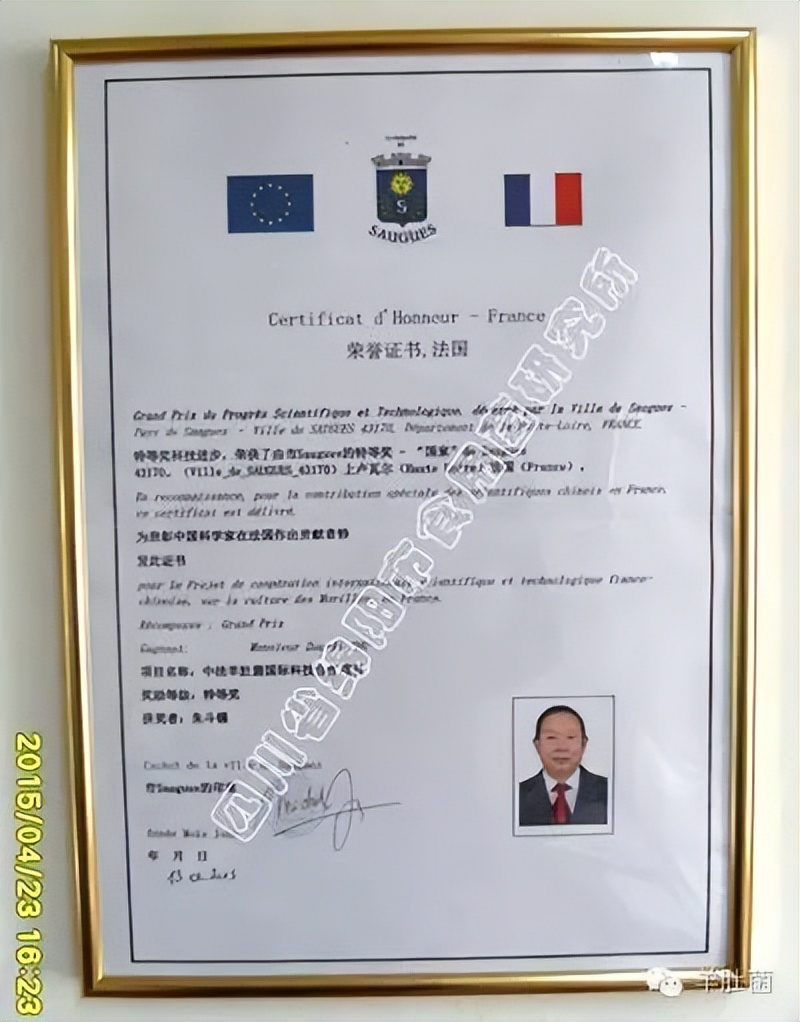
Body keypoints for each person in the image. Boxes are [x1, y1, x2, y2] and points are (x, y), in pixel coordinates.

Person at [518, 705, 607, 826]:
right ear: (537, 745)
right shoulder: (517, 795)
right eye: (551, 738)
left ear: (584, 744)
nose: (561, 747)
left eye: (570, 737)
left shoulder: (608, 791)